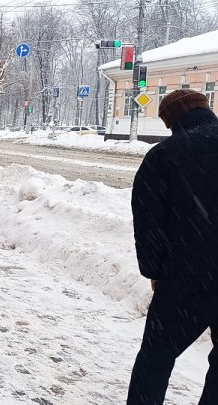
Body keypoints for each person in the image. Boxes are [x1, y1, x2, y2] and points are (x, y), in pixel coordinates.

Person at [127, 89, 218, 404]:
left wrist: (154, 271)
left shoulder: (164, 156)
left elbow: (149, 223)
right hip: (195, 271)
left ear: (172, 119)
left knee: (156, 357)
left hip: (187, 276)